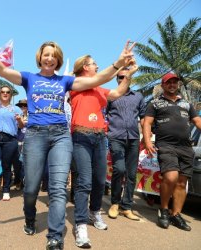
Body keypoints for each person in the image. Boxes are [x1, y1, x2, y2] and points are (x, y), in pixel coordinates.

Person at [0, 27, 135, 249]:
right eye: (46, 54)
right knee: (31, 188)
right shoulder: (29, 78)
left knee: (58, 188)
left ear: (57, 60)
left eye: (53, 55)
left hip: (60, 136)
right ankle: (29, 216)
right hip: (35, 136)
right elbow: (2, 70)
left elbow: (97, 79)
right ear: (40, 58)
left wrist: (119, 63)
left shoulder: (65, 82)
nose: (49, 58)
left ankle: (55, 236)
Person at [70, 55, 138, 248]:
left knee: (100, 180)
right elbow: (104, 78)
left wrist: (129, 75)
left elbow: (117, 93)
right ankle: (81, 224)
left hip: (100, 137)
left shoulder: (99, 89)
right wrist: (120, 63)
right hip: (81, 137)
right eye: (94, 63)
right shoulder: (77, 83)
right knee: (84, 181)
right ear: (84, 67)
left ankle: (94, 212)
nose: (97, 66)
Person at [143, 73, 201, 231]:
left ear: (178, 85)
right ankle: (163, 210)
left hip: (186, 147)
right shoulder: (155, 103)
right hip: (166, 145)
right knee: (171, 177)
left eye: (175, 82)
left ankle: (176, 214)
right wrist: (148, 141)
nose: (172, 85)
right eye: (168, 83)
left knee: (182, 182)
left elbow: (197, 121)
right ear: (163, 85)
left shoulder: (187, 104)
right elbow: (147, 123)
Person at [106, 68, 146, 221]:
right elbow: (104, 115)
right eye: (120, 77)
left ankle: (127, 207)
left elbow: (143, 118)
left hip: (134, 138)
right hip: (115, 137)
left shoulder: (138, 96)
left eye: (125, 77)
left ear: (130, 79)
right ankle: (115, 203)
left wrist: (145, 137)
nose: (122, 79)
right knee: (119, 169)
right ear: (116, 79)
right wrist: (106, 132)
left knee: (131, 173)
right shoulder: (111, 96)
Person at [12, 99, 28, 190]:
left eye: (25, 106)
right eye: (21, 106)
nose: (23, 107)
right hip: (18, 142)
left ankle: (23, 182)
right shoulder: (16, 116)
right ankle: (18, 181)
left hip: (28, 143)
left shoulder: (32, 116)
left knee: (25, 164)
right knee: (17, 164)